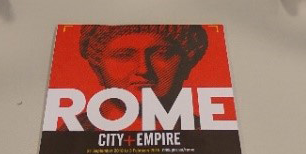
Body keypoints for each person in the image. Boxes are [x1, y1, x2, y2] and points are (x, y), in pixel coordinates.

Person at [69, 25, 208, 131]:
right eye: (123, 55)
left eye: (162, 53)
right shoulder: (72, 133)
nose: (143, 69)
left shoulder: (206, 134)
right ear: (98, 69)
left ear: (186, 66)